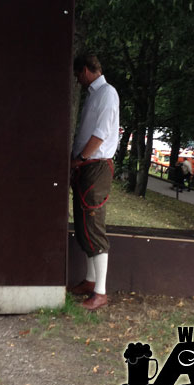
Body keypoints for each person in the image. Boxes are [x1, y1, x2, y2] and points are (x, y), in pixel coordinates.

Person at [69, 53, 120, 311]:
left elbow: (101, 134)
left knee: (93, 224)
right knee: (84, 224)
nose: (78, 80)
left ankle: (100, 292)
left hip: (95, 166)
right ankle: (90, 281)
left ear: (88, 70)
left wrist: (80, 158)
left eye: (79, 75)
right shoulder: (96, 95)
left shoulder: (107, 94)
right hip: (87, 166)